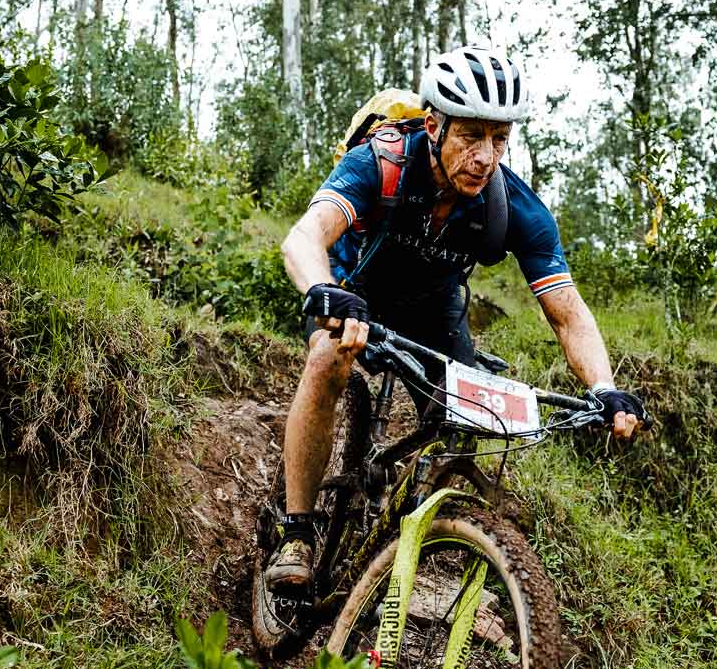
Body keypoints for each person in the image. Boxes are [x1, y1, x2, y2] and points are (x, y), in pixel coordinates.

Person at [266, 43, 644, 589]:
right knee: (328, 356)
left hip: (433, 313)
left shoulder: (514, 206)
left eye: (499, 139)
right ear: (434, 125)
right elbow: (304, 237)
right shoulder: (381, 162)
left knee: (468, 416)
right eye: (471, 135)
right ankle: (296, 531)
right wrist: (324, 289)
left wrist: (605, 386)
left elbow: (568, 313)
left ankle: (425, 532)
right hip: (355, 293)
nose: (486, 157)